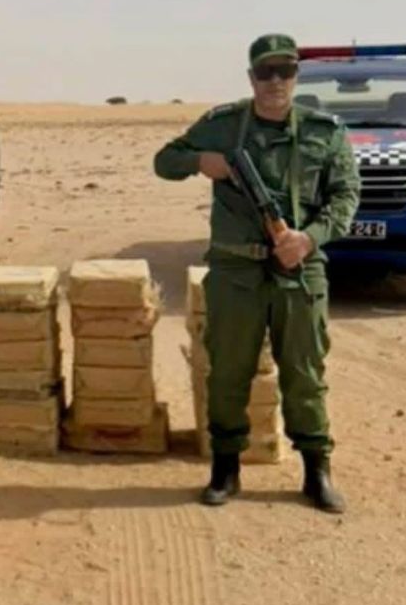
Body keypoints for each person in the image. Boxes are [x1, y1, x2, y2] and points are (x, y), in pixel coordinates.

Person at [154, 33, 359, 512]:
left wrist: (308, 238)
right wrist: (201, 161)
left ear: (296, 76)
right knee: (228, 372)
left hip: (300, 268)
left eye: (284, 71)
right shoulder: (223, 126)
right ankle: (225, 469)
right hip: (235, 271)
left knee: (305, 372)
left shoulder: (325, 132)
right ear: (251, 77)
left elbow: (346, 196)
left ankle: (317, 471)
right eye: (265, 72)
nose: (275, 81)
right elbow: (164, 162)